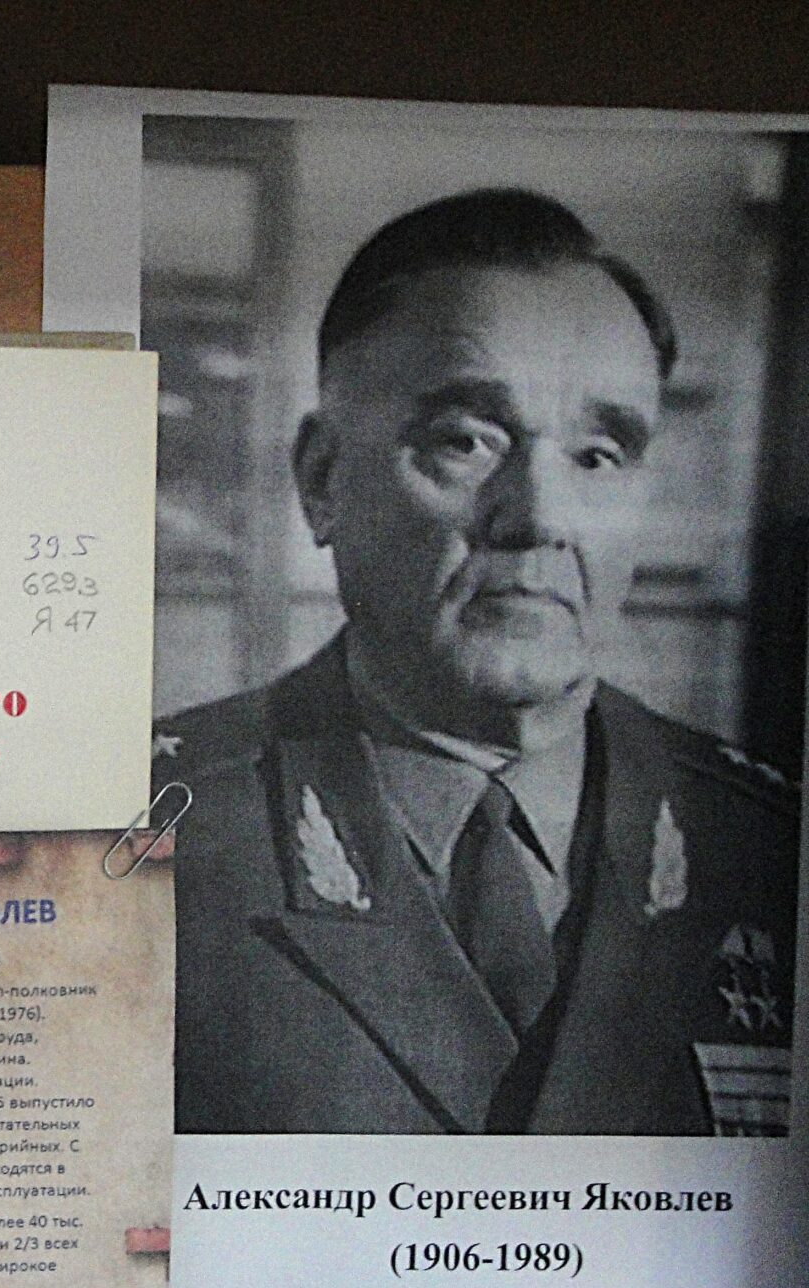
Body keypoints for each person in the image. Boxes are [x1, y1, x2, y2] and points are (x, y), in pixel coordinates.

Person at [158, 188, 798, 1136]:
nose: (539, 517)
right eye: (464, 441)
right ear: (323, 480)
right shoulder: (143, 844)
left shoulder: (769, 849)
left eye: (599, 455)